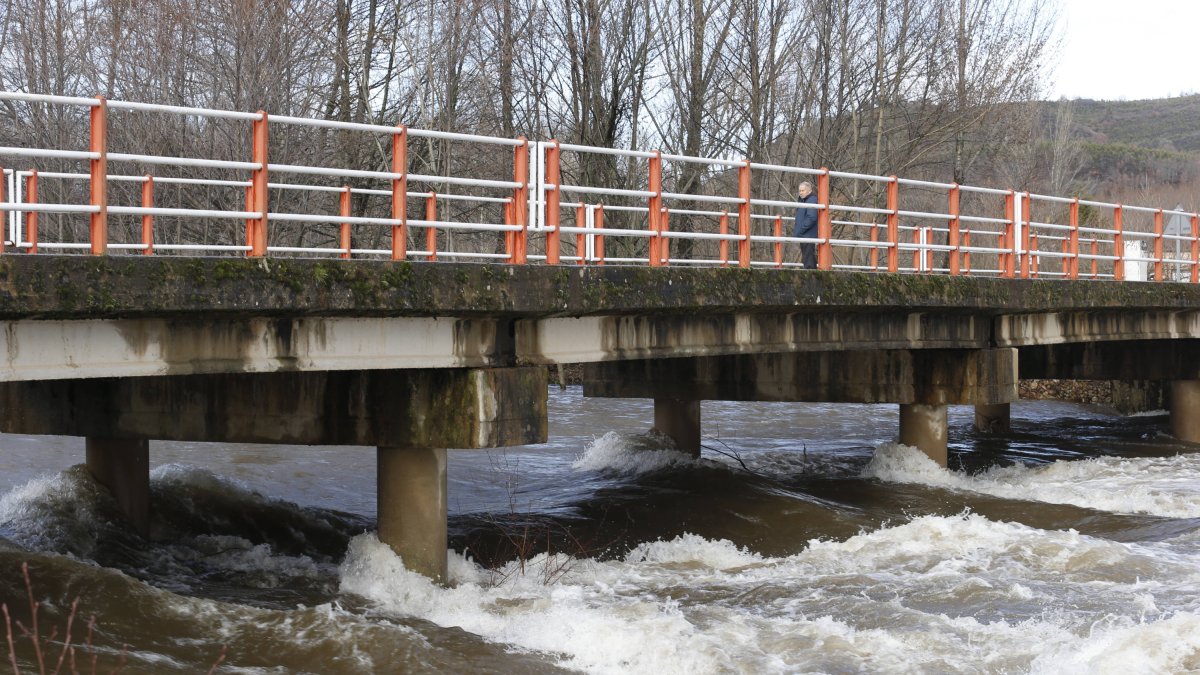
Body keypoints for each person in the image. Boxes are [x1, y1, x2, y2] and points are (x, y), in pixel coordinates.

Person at [792, 181, 818, 269]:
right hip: (805, 233)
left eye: (803, 190)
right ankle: (812, 276)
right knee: (807, 257)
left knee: (808, 258)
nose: (800, 193)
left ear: (809, 191)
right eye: (800, 191)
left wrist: (801, 230)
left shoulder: (811, 200)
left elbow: (812, 218)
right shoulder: (804, 200)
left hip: (807, 234)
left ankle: (811, 277)